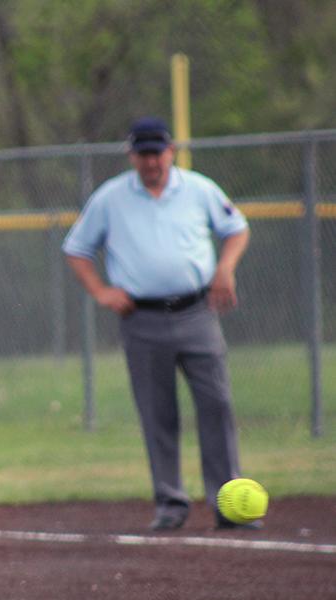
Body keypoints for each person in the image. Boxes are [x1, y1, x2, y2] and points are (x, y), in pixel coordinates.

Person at [62, 117, 256, 531]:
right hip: (142, 319)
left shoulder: (198, 188)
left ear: (171, 151)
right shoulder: (111, 198)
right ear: (133, 156)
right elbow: (77, 248)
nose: (152, 161)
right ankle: (170, 503)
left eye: (158, 151)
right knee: (157, 412)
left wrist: (225, 268)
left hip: (197, 312)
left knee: (217, 405)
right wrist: (101, 292)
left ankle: (227, 501)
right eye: (144, 153)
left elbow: (236, 229)